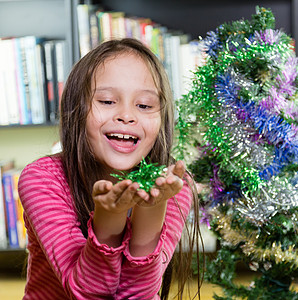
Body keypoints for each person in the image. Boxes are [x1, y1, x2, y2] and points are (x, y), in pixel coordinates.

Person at [18, 38, 202, 300]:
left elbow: (137, 295)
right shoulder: (44, 179)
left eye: (144, 105)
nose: (127, 115)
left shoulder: (172, 187)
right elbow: (87, 293)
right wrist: (109, 220)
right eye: (106, 101)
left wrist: (150, 209)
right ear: (75, 111)